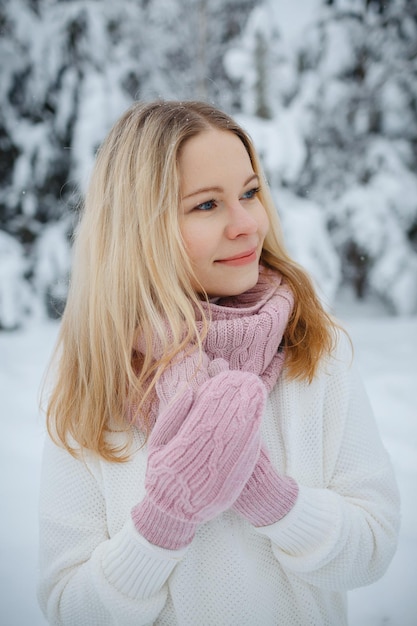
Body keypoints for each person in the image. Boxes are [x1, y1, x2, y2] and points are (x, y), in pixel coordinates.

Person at [38, 100, 400, 626]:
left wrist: (267, 495)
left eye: (250, 193)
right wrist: (163, 520)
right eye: (206, 205)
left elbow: (374, 546)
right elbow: (69, 606)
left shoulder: (313, 349)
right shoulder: (95, 377)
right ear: (139, 229)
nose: (246, 224)